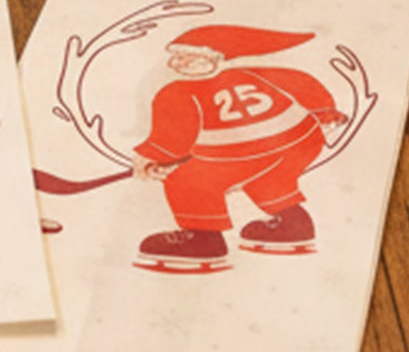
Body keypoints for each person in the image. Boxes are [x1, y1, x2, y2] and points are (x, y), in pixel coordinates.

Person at [131, 24, 349, 267]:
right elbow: (303, 82)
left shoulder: (176, 91)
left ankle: (204, 241)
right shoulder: (252, 73)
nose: (175, 64)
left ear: (210, 57)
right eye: (175, 57)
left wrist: (153, 159)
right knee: (266, 180)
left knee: (188, 180)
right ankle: (294, 225)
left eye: (184, 57)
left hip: (241, 155)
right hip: (299, 140)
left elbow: (173, 140)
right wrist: (324, 113)